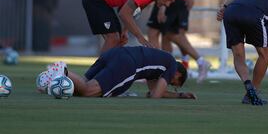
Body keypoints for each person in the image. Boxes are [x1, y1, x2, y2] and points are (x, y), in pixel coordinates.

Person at [45, 46, 196, 99]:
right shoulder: (171, 65)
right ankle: (61, 70)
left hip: (117, 53)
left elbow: (152, 92)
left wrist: (180, 95)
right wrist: (178, 95)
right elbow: (157, 96)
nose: (171, 83)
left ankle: (50, 79)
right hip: (128, 65)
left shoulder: (160, 64)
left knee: (80, 86)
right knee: (88, 91)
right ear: (177, 75)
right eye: (175, 84)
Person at [82, 0, 180, 52]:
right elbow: (124, 14)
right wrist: (141, 38)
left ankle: (107, 72)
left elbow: (132, 13)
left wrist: (125, 31)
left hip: (103, 1)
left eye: (170, 2)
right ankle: (97, 74)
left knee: (118, 40)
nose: (167, 4)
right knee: (113, 38)